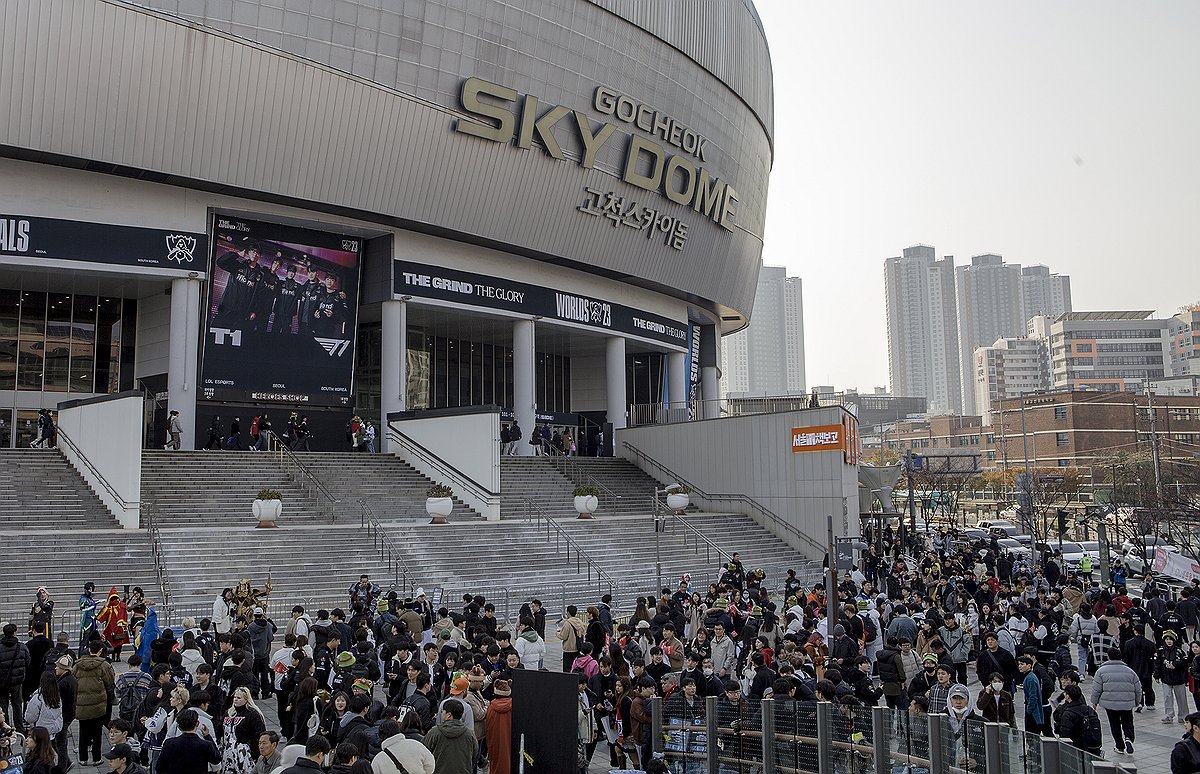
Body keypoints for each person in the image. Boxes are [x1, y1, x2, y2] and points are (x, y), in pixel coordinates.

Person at [1092, 648, 1143, 756]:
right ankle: (1129, 737)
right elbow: (1138, 688)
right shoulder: (1130, 671)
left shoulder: (1101, 671)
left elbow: (1097, 688)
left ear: (1108, 657)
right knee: (1128, 721)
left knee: (1114, 723)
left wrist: (1094, 702)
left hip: (1110, 703)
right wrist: (1137, 701)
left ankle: (1119, 745)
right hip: (1127, 702)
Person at [74, 638, 115, 766]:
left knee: (83, 730)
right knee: (97, 732)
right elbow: (110, 682)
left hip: (81, 704)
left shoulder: (77, 665)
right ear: (101, 650)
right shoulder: (104, 665)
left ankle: (83, 758)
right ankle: (96, 758)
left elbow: (73, 681)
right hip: (98, 703)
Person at [158, 708, 222, 774]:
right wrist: (208, 736)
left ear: (179, 727)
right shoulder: (205, 745)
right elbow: (217, 759)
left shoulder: (169, 743)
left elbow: (159, 767)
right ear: (197, 723)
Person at [423, 698, 476, 773]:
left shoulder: (434, 732)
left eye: (442, 712)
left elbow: (424, 752)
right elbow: (474, 756)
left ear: (449, 715)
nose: (441, 714)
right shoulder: (470, 734)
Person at [1054, 684, 1103, 758]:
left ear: (1068, 696)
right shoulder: (1089, 710)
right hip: (1091, 746)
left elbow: (1065, 735)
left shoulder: (1068, 714)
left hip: (1077, 748)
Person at [0, 622, 30, 729]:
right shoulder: (21, 647)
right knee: (17, 704)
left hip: (2, 682)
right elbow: (27, 661)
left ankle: (6, 727)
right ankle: (19, 728)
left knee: (3, 705)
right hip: (17, 681)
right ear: (14, 633)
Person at [485, 678, 512, 774]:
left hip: (494, 742)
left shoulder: (491, 707)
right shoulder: (514, 707)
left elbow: (488, 727)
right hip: (509, 742)